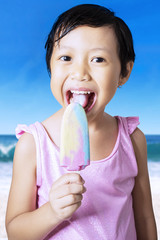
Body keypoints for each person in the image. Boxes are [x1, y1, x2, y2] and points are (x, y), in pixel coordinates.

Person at [5, 4, 157, 240]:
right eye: (66, 57)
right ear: (50, 67)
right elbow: (15, 232)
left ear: (124, 73)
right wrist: (52, 212)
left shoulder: (132, 139)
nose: (80, 72)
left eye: (98, 59)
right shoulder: (33, 144)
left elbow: (145, 217)